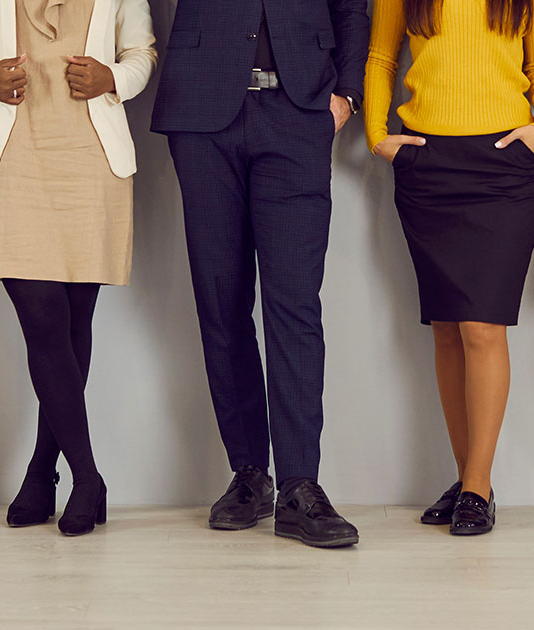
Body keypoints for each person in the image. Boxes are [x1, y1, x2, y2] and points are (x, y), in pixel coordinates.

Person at [0, 0, 156, 536]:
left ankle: (40, 473)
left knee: (74, 325)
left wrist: (113, 78)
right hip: (13, 156)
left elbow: (141, 52)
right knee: (43, 318)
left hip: (91, 159)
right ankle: (86, 474)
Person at [151, 0, 369, 548]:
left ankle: (300, 485)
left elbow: (352, 7)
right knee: (221, 302)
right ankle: (250, 473)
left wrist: (347, 92)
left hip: (299, 112)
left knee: (294, 302)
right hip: (202, 113)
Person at [364, 0, 534, 535]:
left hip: (504, 164)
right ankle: (470, 480)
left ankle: (477, 487)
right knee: (447, 329)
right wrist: (377, 136)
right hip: (428, 165)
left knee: (482, 326)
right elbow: (381, 55)